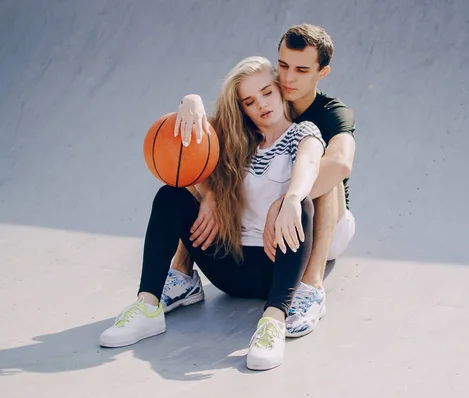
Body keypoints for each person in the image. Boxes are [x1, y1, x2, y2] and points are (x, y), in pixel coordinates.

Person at [99, 56, 326, 371]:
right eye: (249, 101)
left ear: (279, 89)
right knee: (171, 196)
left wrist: (290, 198)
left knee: (301, 206)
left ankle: (273, 320)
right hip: (227, 267)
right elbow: (192, 129)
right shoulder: (234, 138)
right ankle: (148, 307)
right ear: (241, 108)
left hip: (275, 268)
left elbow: (310, 165)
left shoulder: (304, 132)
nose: (261, 104)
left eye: (266, 92)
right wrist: (190, 101)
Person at [164, 23, 356, 338]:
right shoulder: (266, 96)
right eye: (283, 65)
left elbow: (341, 163)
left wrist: (284, 202)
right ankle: (182, 272)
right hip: (268, 224)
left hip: (325, 220)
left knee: (322, 169)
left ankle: (311, 287)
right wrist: (191, 101)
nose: (289, 77)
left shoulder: (331, 112)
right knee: (197, 159)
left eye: (302, 69)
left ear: (322, 73)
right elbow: (208, 131)